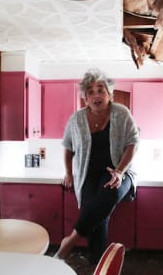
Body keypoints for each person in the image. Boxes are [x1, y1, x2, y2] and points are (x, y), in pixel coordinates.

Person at [54, 68, 139, 264]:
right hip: (87, 175)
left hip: (119, 171)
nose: (96, 95)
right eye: (90, 92)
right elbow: (68, 148)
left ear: (109, 94)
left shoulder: (121, 113)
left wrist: (120, 171)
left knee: (109, 190)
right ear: (85, 98)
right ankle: (98, 263)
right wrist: (69, 173)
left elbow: (133, 143)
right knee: (94, 210)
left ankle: (69, 241)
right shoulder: (76, 119)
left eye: (100, 89)